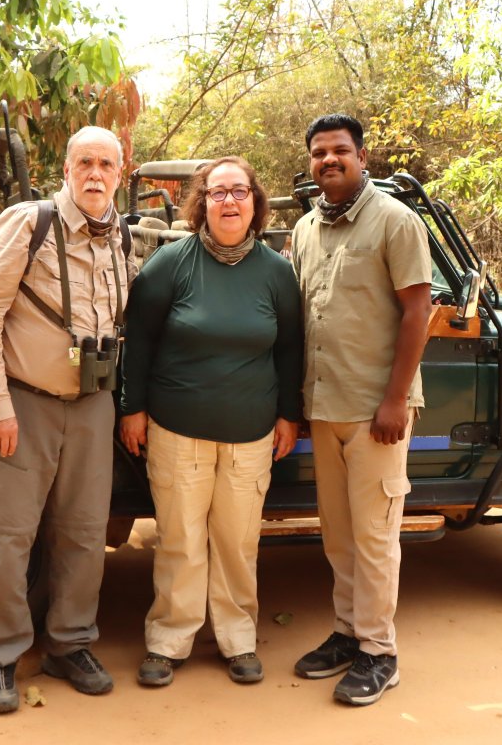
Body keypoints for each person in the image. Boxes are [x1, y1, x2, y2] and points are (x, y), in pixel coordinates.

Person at [0, 126, 134, 714]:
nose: (95, 174)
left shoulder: (122, 235)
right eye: (84, 162)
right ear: (66, 170)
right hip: (24, 402)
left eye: (105, 164)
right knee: (7, 535)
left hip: (92, 404)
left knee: (85, 533)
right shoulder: (28, 223)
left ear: (120, 173)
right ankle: (0, 657)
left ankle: (70, 644)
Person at [118, 157, 303, 688]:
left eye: (239, 191)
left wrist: (289, 415)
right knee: (179, 539)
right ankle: (168, 640)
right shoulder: (171, 262)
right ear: (202, 203)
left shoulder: (276, 272)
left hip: (251, 434)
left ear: (255, 202)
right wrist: (133, 407)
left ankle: (237, 638)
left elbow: (290, 349)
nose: (229, 202)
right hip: (177, 429)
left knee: (238, 541)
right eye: (218, 192)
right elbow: (140, 340)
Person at [288, 114, 432, 706]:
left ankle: (380, 652)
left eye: (340, 151)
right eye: (319, 152)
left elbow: (418, 311)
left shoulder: (395, 221)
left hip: (376, 411)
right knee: (340, 536)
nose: (329, 160)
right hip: (325, 406)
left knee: (374, 537)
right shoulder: (304, 228)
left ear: (362, 157)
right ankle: (348, 634)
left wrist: (396, 399)